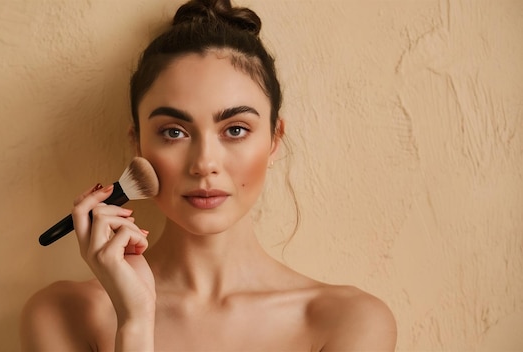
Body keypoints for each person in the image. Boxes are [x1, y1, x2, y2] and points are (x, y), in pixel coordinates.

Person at [20, 0, 397, 350]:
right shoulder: (62, 315)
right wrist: (134, 321)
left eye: (235, 129)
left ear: (274, 140)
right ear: (137, 144)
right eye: (174, 132)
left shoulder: (349, 322)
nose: (204, 163)